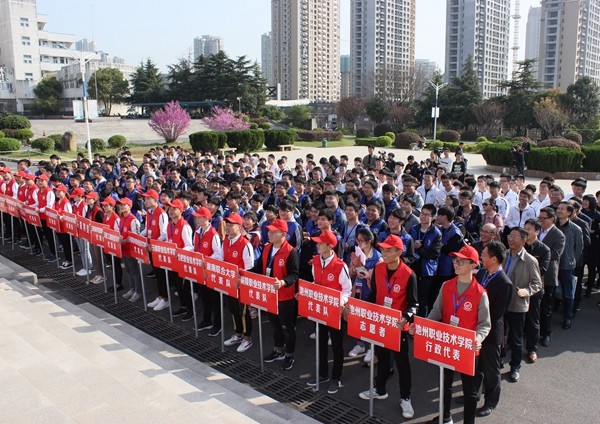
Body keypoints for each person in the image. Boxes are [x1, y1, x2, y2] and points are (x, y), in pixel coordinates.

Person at [423, 245, 491, 424]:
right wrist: (423, 327)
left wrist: (477, 339)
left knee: (470, 391)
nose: (456, 263)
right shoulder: (446, 286)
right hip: (447, 343)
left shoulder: (480, 294)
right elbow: (436, 312)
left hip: (467, 347)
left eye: (461, 261)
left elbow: (485, 324)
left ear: (473, 265)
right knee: (445, 383)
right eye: (455, 260)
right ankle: (445, 417)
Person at [358, 235, 417, 421]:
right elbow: (374, 294)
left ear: (399, 252)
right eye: (383, 249)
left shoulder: (409, 274)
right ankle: (380, 389)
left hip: (398, 326)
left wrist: (406, 317)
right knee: (382, 358)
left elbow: (414, 304)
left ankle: (406, 398)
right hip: (381, 321)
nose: (384, 253)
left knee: (402, 364)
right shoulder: (378, 268)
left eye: (388, 250)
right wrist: (361, 308)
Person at [307, 230, 351, 395]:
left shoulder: (340, 266)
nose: (317, 245)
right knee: (321, 342)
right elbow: (314, 281)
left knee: (337, 346)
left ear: (330, 246)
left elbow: (347, 290)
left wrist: (339, 302)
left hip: (335, 312)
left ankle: (336, 377)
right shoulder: (316, 261)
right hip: (320, 310)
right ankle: (323, 373)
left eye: (320, 243)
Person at [251, 219, 299, 371]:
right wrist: (244, 273)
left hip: (285, 296)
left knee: (287, 327)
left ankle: (290, 354)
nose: (269, 234)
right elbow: (259, 267)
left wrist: (284, 282)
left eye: (273, 232)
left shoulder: (291, 252)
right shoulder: (267, 248)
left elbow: (294, 275)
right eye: (269, 231)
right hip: (270, 294)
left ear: (283, 234)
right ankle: (278, 349)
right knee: (274, 325)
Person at [475, 241, 513, 417]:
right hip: (474, 328)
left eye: (484, 254)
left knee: (491, 370)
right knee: (474, 367)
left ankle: (490, 402)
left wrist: (479, 317)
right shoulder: (482, 273)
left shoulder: (504, 283)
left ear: (494, 259)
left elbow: (498, 312)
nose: (481, 257)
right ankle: (473, 394)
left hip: (490, 333)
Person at [503, 227, 542, 382]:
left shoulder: (530, 260)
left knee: (516, 337)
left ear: (524, 240)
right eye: (510, 236)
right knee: (499, 334)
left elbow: (537, 284)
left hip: (517, 303)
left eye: (515, 237)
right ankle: (499, 359)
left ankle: (515, 366)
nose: (511, 239)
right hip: (501, 301)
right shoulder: (503, 254)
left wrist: (526, 291)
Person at [222, 212, 255, 352]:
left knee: (243, 312)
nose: (228, 228)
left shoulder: (245, 244)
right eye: (227, 225)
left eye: (231, 225)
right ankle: (238, 334)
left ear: (239, 227)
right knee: (233, 309)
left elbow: (250, 268)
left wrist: (242, 280)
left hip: (241, 285)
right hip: (230, 283)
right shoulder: (226, 240)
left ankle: (248, 338)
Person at [192, 206, 223, 335]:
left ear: (206, 218)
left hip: (211, 272)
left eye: (199, 217)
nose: (197, 219)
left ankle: (217, 324)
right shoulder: (197, 232)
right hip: (200, 270)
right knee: (204, 297)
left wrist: (207, 260)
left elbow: (219, 255)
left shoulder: (213, 235)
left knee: (214, 299)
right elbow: (195, 248)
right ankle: (206, 320)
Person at [523, 219, 550, 363]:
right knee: (515, 318)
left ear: (537, 232)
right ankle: (512, 342)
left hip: (534, 289)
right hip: (518, 286)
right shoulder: (520, 245)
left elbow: (542, 270)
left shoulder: (544, 249)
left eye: (529, 229)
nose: (526, 231)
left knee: (533, 319)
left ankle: (532, 349)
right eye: (525, 228)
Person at [538, 207, 565, 346]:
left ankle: (546, 333)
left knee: (546, 307)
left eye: (543, 218)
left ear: (552, 219)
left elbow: (555, 255)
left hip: (547, 275)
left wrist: (537, 255)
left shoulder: (558, 235)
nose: (540, 221)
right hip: (534, 273)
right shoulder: (537, 231)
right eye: (539, 218)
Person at [555, 202, 583, 329]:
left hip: (567, 265)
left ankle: (568, 317)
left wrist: (572, 260)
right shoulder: (552, 226)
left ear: (569, 213)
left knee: (568, 293)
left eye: (562, 209)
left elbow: (579, 248)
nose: (559, 210)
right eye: (558, 208)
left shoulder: (576, 229)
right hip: (553, 264)